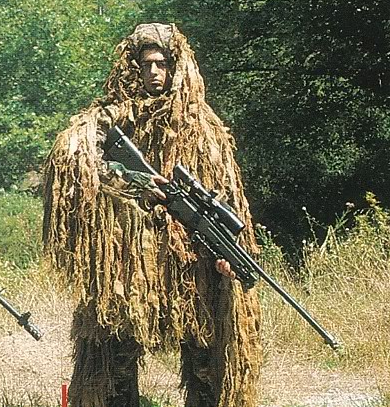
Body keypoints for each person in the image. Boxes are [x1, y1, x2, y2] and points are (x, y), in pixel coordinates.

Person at [43, 23, 262, 407]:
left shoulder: (202, 127)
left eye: (162, 64)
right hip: (127, 263)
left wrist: (230, 252)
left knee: (204, 356)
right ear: (134, 67)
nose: (155, 73)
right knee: (115, 355)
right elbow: (72, 158)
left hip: (190, 262)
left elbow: (227, 197)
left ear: (176, 67)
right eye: (147, 65)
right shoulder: (112, 117)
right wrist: (135, 182)